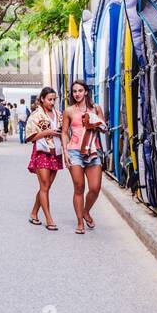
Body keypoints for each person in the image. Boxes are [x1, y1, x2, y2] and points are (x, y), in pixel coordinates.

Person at [62, 79, 105, 234]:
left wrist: (94, 122)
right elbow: (64, 132)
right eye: (74, 91)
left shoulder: (96, 108)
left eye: (80, 90)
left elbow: (104, 127)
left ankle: (86, 211)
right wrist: (65, 151)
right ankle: (80, 222)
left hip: (93, 151)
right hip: (74, 151)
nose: (77, 94)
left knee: (95, 188)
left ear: (86, 91)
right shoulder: (69, 111)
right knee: (79, 187)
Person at [25, 87, 62, 230]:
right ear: (42, 99)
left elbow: (63, 133)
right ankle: (49, 219)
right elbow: (30, 137)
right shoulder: (35, 116)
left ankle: (34, 213)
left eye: (54, 99)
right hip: (42, 152)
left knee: (45, 187)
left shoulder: (59, 114)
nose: (52, 102)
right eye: (49, 99)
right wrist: (47, 132)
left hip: (56, 153)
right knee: (45, 186)